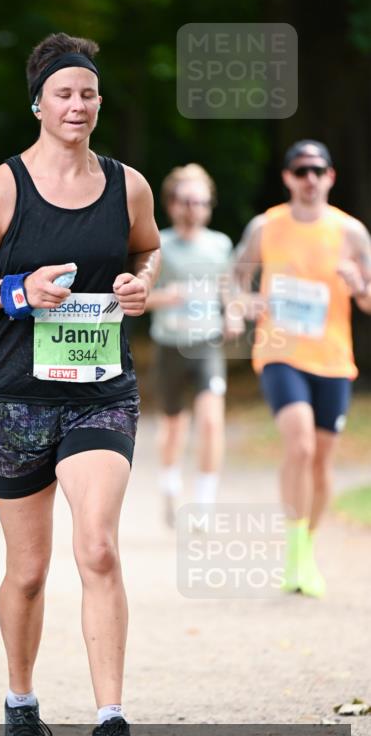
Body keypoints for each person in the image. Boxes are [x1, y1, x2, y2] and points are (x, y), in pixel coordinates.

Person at [0, 32, 162, 736]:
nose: (77, 104)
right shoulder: (1, 189)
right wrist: (17, 290)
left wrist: (139, 284)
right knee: (29, 571)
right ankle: (20, 705)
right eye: (63, 93)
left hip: (99, 394)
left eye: (88, 93)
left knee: (97, 546)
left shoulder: (128, 186)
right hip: (14, 399)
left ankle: (111, 723)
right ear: (38, 103)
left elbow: (147, 248)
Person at [234, 140, 371, 597]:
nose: (309, 178)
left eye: (317, 170)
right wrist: (243, 303)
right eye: (300, 170)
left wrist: (359, 285)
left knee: (321, 460)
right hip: (279, 351)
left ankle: (306, 550)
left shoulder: (351, 232)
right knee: (300, 445)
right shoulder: (266, 226)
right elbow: (235, 279)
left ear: (330, 176)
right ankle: (293, 553)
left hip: (332, 358)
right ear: (287, 178)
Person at [145, 164, 235, 526]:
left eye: (200, 201)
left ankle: (204, 503)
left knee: (211, 421)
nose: (193, 208)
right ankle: (169, 484)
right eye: (186, 201)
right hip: (169, 344)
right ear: (171, 203)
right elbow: (137, 298)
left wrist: (233, 314)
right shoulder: (158, 244)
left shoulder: (220, 244)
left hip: (206, 343)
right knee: (174, 426)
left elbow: (228, 289)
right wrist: (166, 297)